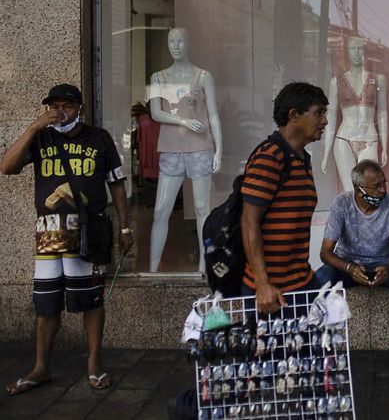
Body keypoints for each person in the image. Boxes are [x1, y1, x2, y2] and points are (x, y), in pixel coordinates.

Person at [0, 84, 133, 395]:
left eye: (68, 106)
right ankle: (40, 368)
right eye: (55, 106)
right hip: (47, 237)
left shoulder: (98, 138)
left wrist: (125, 228)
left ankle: (94, 366)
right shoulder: (42, 137)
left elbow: (117, 186)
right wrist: (33, 126)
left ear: (80, 109)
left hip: (87, 236)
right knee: (46, 305)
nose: (61, 112)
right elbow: (7, 167)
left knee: (91, 301)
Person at [316, 160, 389, 384]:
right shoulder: (341, 204)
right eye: (377, 186)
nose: (383, 190)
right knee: (320, 279)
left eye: (384, 183)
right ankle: (320, 354)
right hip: (348, 265)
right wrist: (349, 268)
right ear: (359, 190)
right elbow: (325, 253)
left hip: (383, 266)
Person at [240, 82, 328, 313]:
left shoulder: (301, 158)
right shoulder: (270, 156)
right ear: (294, 115)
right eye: (319, 113)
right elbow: (249, 221)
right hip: (272, 294)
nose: (325, 121)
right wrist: (262, 285)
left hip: (301, 283)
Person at [146, 27, 222, 273]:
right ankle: (152, 269)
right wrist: (183, 121)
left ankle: (204, 266)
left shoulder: (203, 76)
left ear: (188, 43)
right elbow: (155, 112)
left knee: (202, 209)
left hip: (200, 148)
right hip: (170, 149)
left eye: (180, 41)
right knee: (161, 209)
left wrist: (219, 149)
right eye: (171, 41)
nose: (175, 45)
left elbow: (212, 114)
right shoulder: (158, 77)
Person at [321, 36, 388, 190]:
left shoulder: (378, 79)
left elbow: (382, 113)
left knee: (369, 188)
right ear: (347, 52)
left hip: (369, 138)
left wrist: (385, 146)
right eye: (353, 48)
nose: (357, 53)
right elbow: (330, 115)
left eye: (360, 48)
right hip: (344, 138)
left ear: (364, 51)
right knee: (349, 191)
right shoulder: (336, 82)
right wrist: (326, 152)